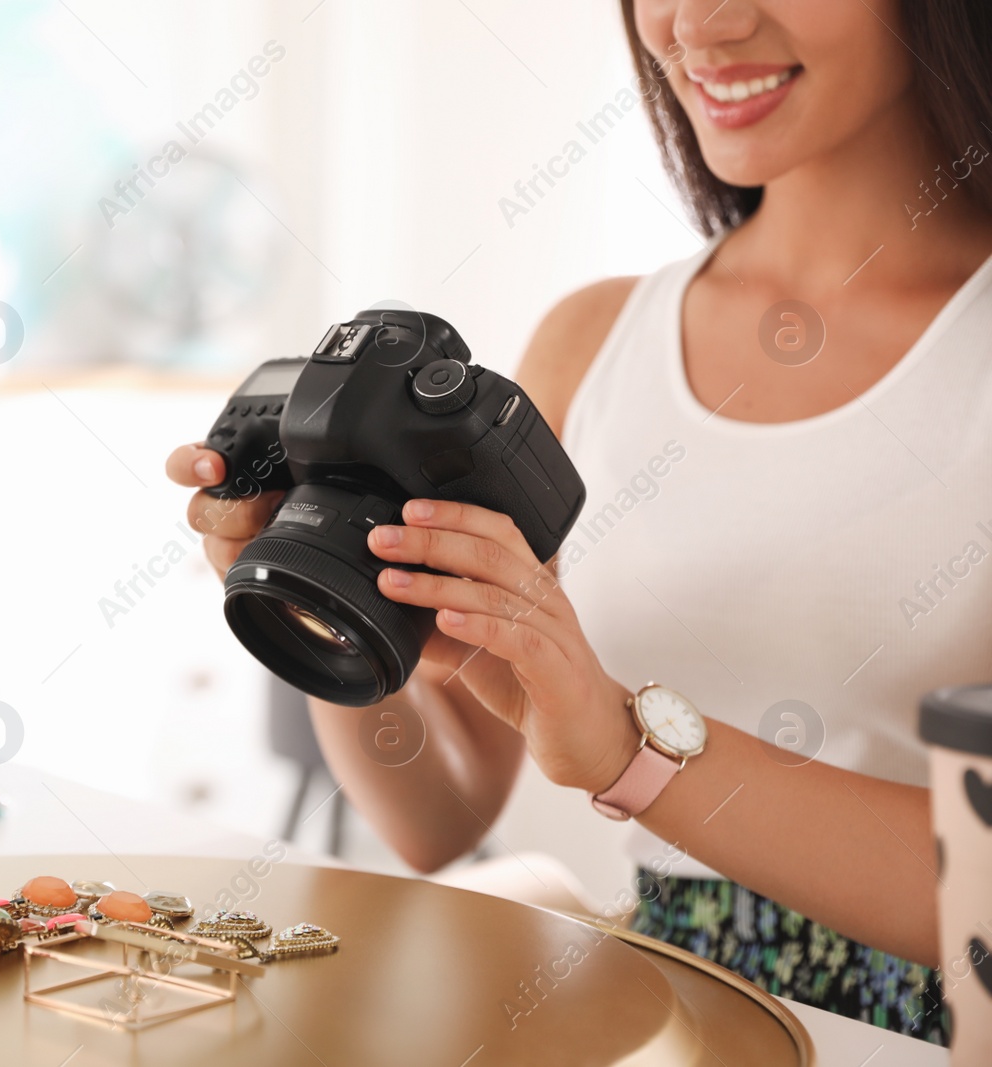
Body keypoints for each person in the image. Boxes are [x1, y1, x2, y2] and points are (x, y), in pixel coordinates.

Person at [168, 0, 992, 1045]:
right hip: (667, 1014)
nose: (697, 23)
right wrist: (321, 586)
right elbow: (439, 814)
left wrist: (622, 747)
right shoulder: (595, 339)